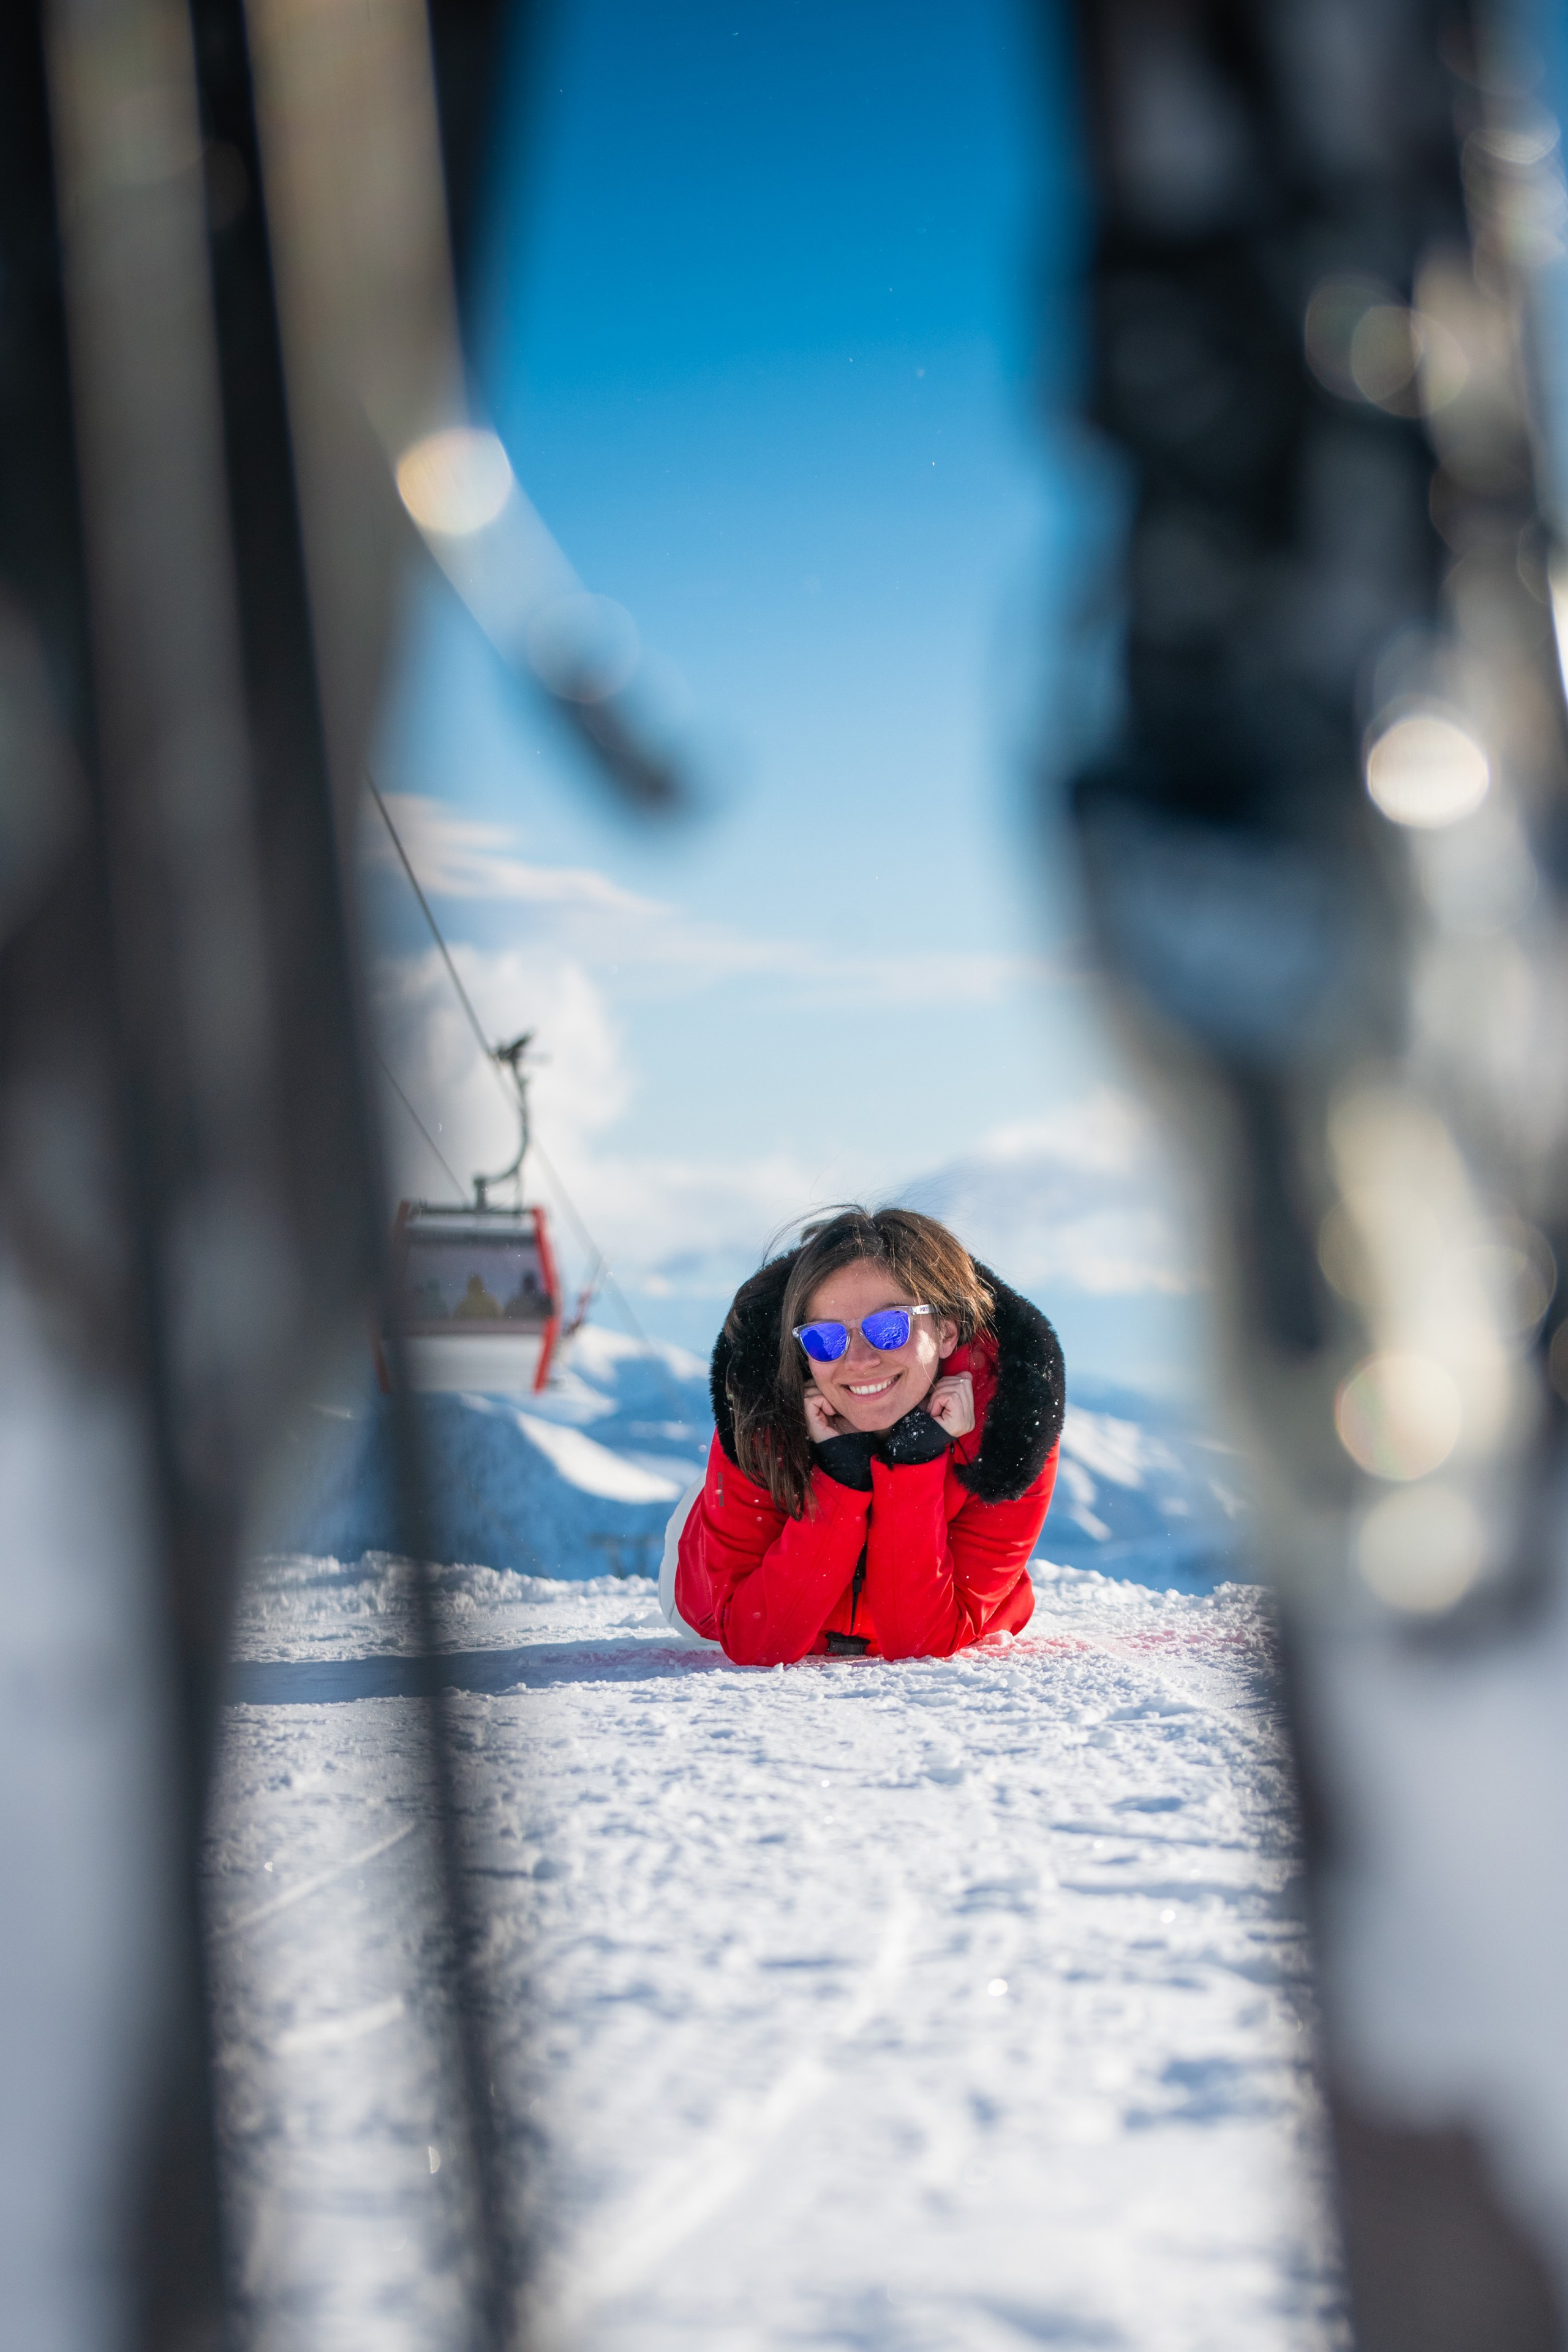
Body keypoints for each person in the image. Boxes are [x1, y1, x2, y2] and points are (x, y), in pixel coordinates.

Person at [665, 1207, 1063, 1666]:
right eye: (825, 1339)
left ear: (948, 1332)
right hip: (707, 1602)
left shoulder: (1006, 1430)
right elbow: (758, 1643)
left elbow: (921, 1646)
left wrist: (916, 1460)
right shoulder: (762, 1414)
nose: (859, 1359)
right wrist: (837, 1476)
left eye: (888, 1328)